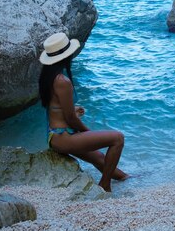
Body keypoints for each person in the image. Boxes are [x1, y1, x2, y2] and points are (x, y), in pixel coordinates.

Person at [38, 32, 128, 192]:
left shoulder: (48, 76)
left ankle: (126, 179)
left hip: (55, 135)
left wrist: (73, 110)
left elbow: (56, 108)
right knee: (118, 139)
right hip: (63, 137)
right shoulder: (62, 81)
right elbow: (71, 119)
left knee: (100, 158)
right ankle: (105, 186)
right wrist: (87, 131)